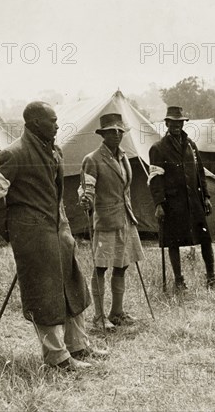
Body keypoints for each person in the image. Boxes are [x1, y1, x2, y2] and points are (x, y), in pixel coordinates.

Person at [0, 101, 107, 370]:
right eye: (52, 120)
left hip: (59, 234)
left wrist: (64, 229)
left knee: (73, 288)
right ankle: (57, 357)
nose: (57, 125)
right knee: (44, 295)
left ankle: (79, 347)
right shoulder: (12, 155)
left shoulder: (56, 151)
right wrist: (14, 232)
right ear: (35, 123)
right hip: (33, 239)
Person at [77, 113, 145, 330]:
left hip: (125, 218)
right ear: (103, 134)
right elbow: (86, 188)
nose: (116, 135)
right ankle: (98, 317)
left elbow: (125, 188)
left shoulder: (124, 156)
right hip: (106, 220)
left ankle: (117, 312)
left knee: (122, 265)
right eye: (111, 132)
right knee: (100, 268)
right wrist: (86, 199)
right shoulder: (93, 159)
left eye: (119, 131)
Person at [148, 106, 215, 290]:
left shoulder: (191, 145)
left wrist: (206, 196)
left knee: (205, 239)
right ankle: (179, 280)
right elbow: (155, 179)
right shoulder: (158, 149)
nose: (177, 125)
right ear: (167, 124)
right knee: (173, 243)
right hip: (173, 203)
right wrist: (159, 204)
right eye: (173, 122)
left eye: (180, 122)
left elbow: (200, 172)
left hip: (194, 201)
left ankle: (211, 278)